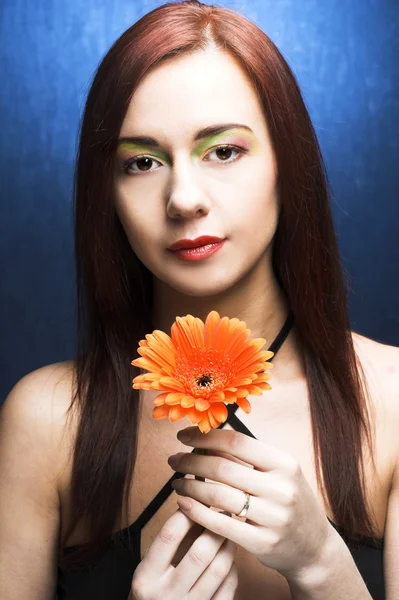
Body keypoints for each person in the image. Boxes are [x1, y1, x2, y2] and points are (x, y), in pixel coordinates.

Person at [0, 1, 397, 599]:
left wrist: (322, 565)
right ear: (104, 193)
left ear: (289, 163)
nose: (184, 198)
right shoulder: (47, 422)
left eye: (224, 151)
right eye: (142, 162)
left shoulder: (392, 403)